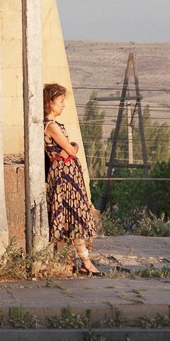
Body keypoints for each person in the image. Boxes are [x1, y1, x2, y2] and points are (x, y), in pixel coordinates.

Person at [43, 83, 101, 275]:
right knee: (72, 217)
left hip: (69, 174)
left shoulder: (56, 125)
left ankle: (74, 261)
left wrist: (71, 148)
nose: (63, 105)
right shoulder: (50, 125)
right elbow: (70, 149)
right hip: (63, 176)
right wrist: (74, 146)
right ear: (50, 103)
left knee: (73, 217)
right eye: (60, 102)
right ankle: (84, 261)